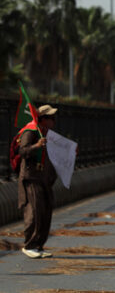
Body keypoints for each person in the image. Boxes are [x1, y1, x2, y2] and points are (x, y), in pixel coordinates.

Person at [17, 105, 58, 259]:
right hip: (31, 177)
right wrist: (36, 145)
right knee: (35, 211)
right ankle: (30, 245)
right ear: (42, 119)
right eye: (51, 118)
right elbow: (22, 151)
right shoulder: (31, 131)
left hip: (44, 177)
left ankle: (39, 244)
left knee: (46, 210)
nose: (54, 121)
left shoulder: (47, 133)